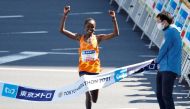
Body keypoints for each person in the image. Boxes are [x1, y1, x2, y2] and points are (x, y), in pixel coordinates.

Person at [59, 6, 119, 109]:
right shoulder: (79, 37)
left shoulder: (98, 38)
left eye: (93, 27)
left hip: (95, 70)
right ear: (84, 27)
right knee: (88, 94)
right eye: (89, 26)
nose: (90, 29)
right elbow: (62, 30)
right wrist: (65, 14)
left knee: (94, 98)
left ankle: (96, 90)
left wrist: (114, 19)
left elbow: (116, 34)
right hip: (83, 70)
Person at [154, 11, 182, 109]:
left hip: (169, 68)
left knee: (166, 95)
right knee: (160, 94)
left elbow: (164, 48)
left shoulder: (171, 31)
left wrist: (156, 61)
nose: (157, 24)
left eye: (158, 22)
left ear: (164, 22)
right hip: (163, 66)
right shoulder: (169, 31)